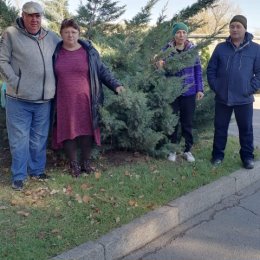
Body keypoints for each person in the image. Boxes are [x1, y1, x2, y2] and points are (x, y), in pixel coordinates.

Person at [52, 18, 124, 177]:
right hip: (64, 101)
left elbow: (102, 71)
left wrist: (116, 85)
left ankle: (86, 163)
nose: (70, 35)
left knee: (87, 131)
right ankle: (74, 164)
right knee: (67, 131)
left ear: (79, 33)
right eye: (66, 32)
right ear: (61, 34)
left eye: (73, 32)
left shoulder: (89, 52)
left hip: (86, 100)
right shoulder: (55, 52)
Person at [0, 1, 60, 190]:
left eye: (37, 16)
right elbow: (2, 60)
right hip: (18, 99)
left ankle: (37, 170)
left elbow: (69, 44)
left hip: (44, 100)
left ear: (41, 17)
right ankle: (19, 176)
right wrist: (15, 81)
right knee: (19, 139)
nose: (34, 19)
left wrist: (86, 46)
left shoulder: (51, 37)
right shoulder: (11, 34)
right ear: (23, 15)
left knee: (39, 138)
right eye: (30, 15)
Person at [207, 15, 260, 169]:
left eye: (238, 26)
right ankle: (217, 156)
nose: (235, 29)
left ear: (245, 28)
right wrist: (216, 86)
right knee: (220, 129)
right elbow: (211, 69)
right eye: (232, 26)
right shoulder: (220, 48)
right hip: (223, 98)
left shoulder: (255, 49)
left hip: (244, 99)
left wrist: (249, 89)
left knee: (246, 130)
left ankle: (247, 158)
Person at [157, 22, 204, 162]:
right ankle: (172, 150)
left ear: (187, 34)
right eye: (178, 32)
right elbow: (160, 72)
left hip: (189, 93)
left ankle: (187, 150)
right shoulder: (166, 50)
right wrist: (159, 67)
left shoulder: (193, 50)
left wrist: (200, 89)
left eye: (184, 32)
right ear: (174, 35)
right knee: (172, 122)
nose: (181, 35)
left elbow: (198, 70)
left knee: (187, 122)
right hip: (172, 93)